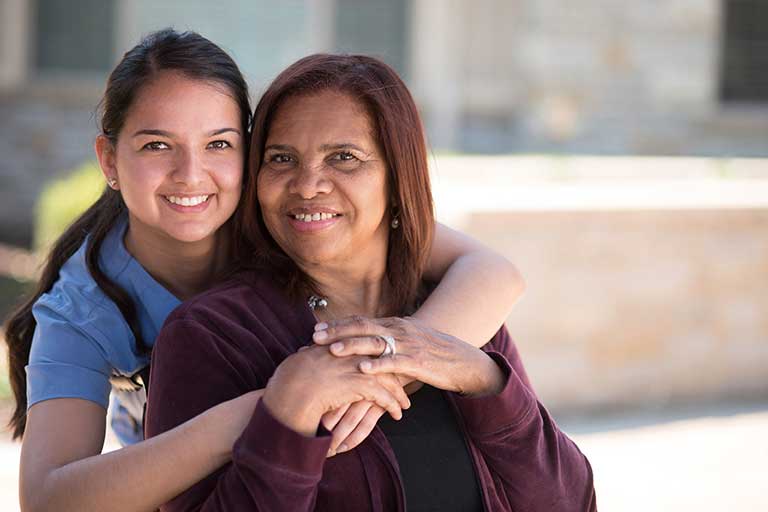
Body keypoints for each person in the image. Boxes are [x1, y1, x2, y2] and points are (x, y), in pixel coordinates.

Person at [4, 31, 524, 512]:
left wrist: (386, 369)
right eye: (156, 146)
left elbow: (493, 271)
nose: (191, 174)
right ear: (110, 160)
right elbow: (50, 498)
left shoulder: (293, 217)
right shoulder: (83, 310)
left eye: (219, 144)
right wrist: (278, 404)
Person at [145, 54, 596, 511]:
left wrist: (483, 378)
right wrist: (288, 415)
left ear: (398, 179)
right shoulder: (209, 336)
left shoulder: (456, 314)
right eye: (282, 158)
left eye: (344, 158)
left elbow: (569, 500)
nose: (307, 185)